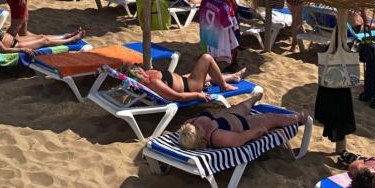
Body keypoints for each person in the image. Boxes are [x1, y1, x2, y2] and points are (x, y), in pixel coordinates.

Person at [177, 91, 309, 149]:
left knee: (243, 105)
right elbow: (238, 140)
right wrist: (257, 131)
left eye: (194, 126)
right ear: (201, 140)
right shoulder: (216, 137)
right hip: (244, 124)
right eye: (197, 129)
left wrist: (192, 124)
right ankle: (299, 117)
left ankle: (253, 99)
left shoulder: (191, 126)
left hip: (228, 115)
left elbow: (189, 123)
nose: (197, 125)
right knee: (271, 117)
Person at [125, 54, 245, 102]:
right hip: (190, 87)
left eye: (139, 68)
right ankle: (224, 86)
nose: (141, 69)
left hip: (184, 80)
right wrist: (198, 95)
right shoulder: (153, 82)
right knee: (206, 58)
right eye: (139, 70)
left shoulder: (149, 74)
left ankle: (231, 77)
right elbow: (178, 97)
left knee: (206, 75)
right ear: (138, 75)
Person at [0, 19, 85, 57]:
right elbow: (3, 49)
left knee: (41, 36)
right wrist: (22, 49)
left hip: (15, 40)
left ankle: (66, 36)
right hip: (15, 45)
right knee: (44, 41)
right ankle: (71, 40)